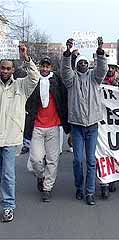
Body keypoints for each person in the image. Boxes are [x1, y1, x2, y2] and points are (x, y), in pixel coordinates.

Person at [61, 37, 108, 206]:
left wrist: (100, 51)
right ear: (77, 65)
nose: (83, 65)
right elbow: (65, 69)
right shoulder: (71, 80)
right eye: (80, 63)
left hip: (93, 126)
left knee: (91, 160)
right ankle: (79, 187)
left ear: (89, 65)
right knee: (77, 160)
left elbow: (102, 69)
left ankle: (90, 192)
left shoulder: (95, 79)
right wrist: (67, 53)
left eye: (85, 63)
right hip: (77, 127)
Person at [0, 44, 40, 222]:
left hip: (9, 138)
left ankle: (8, 205)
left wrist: (26, 58)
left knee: (8, 174)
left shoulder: (21, 86)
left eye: (8, 68)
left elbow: (34, 77)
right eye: (3, 67)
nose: (5, 71)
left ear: (13, 70)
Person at [26, 57, 70, 202]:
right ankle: (41, 176)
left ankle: (47, 188)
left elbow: (65, 99)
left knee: (52, 160)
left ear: (51, 67)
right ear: (39, 67)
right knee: (36, 159)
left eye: (47, 66)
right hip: (37, 126)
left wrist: (67, 126)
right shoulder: (34, 81)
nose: (45, 69)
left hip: (53, 127)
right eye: (42, 66)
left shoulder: (56, 81)